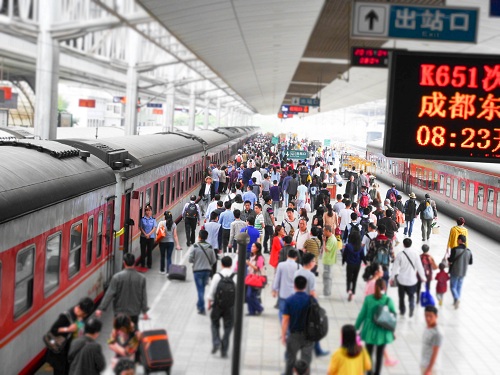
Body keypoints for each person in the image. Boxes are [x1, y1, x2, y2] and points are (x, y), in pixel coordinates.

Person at [355, 279, 396, 375]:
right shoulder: (388, 300)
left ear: (375, 287)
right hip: (383, 331)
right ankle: (377, 373)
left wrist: (356, 327)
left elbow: (362, 315)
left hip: (369, 330)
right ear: (385, 288)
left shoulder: (368, 299)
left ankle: (369, 372)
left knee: (368, 353)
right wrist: (393, 331)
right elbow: (393, 317)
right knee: (379, 355)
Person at [97, 253, 149, 327]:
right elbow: (143, 296)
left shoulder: (116, 277)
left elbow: (109, 294)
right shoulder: (141, 278)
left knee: (119, 333)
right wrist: (144, 311)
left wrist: (101, 309)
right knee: (132, 332)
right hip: (134, 312)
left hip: (119, 312)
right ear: (134, 263)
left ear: (124, 263)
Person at [46, 298, 95, 375]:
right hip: (60, 353)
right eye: (83, 313)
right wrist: (67, 329)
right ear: (78, 307)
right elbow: (53, 330)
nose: (84, 316)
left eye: (85, 315)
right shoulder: (66, 316)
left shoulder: (82, 317)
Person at [281, 276, 315, 375]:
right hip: (308, 336)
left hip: (294, 335)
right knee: (306, 363)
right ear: (305, 286)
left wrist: (283, 335)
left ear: (294, 285)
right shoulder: (311, 300)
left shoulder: (289, 301)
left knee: (291, 361)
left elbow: (286, 320)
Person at [207, 256, 236, 358]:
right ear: (231, 264)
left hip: (218, 305)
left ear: (222, 264)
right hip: (230, 306)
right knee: (228, 326)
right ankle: (224, 348)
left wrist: (209, 302)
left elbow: (212, 291)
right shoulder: (235, 276)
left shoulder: (217, 276)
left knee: (214, 323)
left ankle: (216, 342)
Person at [391, 238, 427, 318]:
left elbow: (395, 268)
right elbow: (419, 267)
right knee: (411, 295)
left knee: (401, 296)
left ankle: (402, 310)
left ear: (403, 244)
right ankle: (411, 306)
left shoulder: (400, 254)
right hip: (412, 280)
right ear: (411, 244)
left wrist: (392, 278)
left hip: (402, 280)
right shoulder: (415, 254)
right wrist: (423, 277)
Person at [189, 229, 217, 315]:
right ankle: (199, 304)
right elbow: (213, 260)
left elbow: (190, 259)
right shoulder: (210, 247)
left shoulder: (195, 246)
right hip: (207, 271)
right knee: (202, 289)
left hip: (197, 271)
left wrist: (196, 261)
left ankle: (201, 308)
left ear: (199, 237)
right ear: (207, 237)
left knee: (200, 290)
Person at [272, 248, 301, 322]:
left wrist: (274, 289)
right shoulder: (299, 267)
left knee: (282, 311)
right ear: (296, 257)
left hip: (283, 293)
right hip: (294, 294)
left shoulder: (281, 265)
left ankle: (284, 328)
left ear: (287, 255)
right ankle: (289, 328)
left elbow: (277, 278)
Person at [448, 234, 473, 309]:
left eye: (457, 239)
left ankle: (456, 298)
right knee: (459, 286)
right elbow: (470, 262)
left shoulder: (455, 249)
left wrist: (449, 259)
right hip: (463, 271)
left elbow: (450, 260)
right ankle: (457, 300)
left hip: (455, 271)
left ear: (460, 240)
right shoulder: (469, 251)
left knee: (453, 286)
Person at [342, 230, 366, 302]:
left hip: (350, 264)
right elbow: (362, 256)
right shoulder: (360, 247)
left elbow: (345, 254)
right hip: (357, 265)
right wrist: (365, 262)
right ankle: (353, 292)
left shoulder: (348, 246)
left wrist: (343, 261)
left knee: (349, 277)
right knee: (355, 279)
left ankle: (349, 289)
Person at [421, 306, 443, 375]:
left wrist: (429, 370)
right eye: (426, 316)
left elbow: (435, 352)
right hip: (424, 364)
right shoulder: (428, 327)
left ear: (436, 316)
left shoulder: (437, 333)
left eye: (431, 316)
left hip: (432, 368)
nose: (428, 318)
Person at [246, 242, 265, 316]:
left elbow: (258, 268)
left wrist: (249, 264)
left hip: (256, 278)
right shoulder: (252, 256)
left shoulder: (260, 258)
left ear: (257, 249)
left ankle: (258, 308)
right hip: (251, 277)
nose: (252, 247)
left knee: (250, 295)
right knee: (250, 295)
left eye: (253, 246)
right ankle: (252, 311)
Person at [139, 204, 156, 269]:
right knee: (142, 251)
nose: (148, 212)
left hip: (151, 237)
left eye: (149, 210)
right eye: (146, 210)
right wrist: (145, 234)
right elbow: (141, 227)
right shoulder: (142, 219)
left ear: (151, 211)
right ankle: (142, 264)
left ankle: (149, 264)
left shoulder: (153, 219)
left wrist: (148, 234)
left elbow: (154, 228)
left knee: (149, 251)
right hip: (143, 237)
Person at [322, 225, 338, 297]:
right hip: (329, 260)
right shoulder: (332, 238)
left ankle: (326, 293)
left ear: (328, 231)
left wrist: (324, 241)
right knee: (326, 276)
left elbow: (326, 249)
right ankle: (327, 292)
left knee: (327, 277)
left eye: (324, 231)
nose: (323, 232)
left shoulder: (331, 239)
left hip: (328, 261)